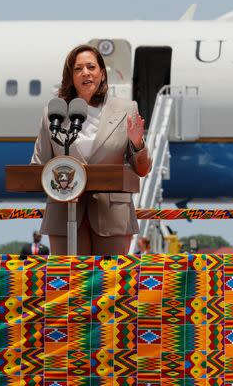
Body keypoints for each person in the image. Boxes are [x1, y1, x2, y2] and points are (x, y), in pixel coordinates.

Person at [31, 44, 151, 256]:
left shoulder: (126, 109)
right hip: (63, 213)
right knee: (68, 284)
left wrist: (138, 144)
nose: (85, 72)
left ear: (102, 73)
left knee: (108, 285)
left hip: (112, 215)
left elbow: (141, 170)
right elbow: (38, 166)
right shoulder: (53, 114)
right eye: (78, 69)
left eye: (91, 67)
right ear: (70, 76)